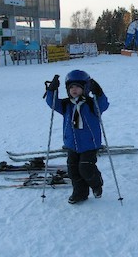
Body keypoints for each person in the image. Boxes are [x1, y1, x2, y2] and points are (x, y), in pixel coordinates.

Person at [45, 70, 109, 204]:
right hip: (71, 144)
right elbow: (52, 103)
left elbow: (103, 105)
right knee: (73, 170)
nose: (74, 90)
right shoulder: (65, 104)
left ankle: (97, 184)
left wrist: (99, 92)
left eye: (78, 87)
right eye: (71, 87)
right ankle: (80, 193)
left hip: (89, 144)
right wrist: (51, 90)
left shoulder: (92, 104)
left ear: (85, 88)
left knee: (85, 168)